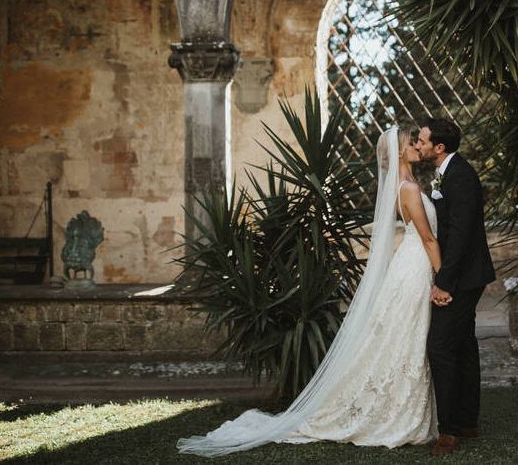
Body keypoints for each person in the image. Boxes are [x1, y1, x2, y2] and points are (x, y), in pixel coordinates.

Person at [177, 126, 442, 457]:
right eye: (412, 142)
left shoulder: (401, 187)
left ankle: (402, 411)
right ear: (401, 150)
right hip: (416, 266)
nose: (418, 146)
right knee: (405, 339)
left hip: (410, 265)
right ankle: (394, 415)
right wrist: (444, 276)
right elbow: (428, 239)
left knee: (406, 338)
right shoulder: (409, 190)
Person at [415, 118, 496, 456]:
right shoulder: (448, 172)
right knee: (462, 344)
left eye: (422, 140)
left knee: (440, 346)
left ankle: (448, 431)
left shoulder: (460, 176)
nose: (418, 145)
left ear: (439, 147)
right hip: (464, 273)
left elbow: (461, 235)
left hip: (462, 277)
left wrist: (443, 283)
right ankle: (466, 421)